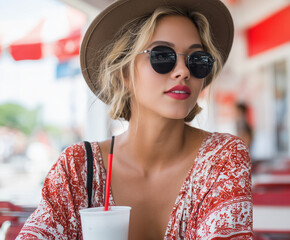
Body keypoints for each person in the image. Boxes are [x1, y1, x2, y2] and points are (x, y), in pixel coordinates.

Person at [17, 0, 253, 239]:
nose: (183, 70)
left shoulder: (222, 158)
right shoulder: (78, 169)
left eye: (197, 60)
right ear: (124, 73)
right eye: (162, 56)